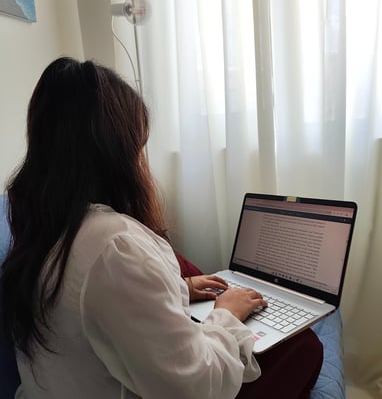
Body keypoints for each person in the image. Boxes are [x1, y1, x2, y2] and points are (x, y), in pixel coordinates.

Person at [0, 57, 322, 399]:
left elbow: (92, 305)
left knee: (187, 269)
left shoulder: (42, 222)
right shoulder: (114, 246)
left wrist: (180, 287)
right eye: (138, 148)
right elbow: (196, 387)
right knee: (305, 348)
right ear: (115, 154)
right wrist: (226, 314)